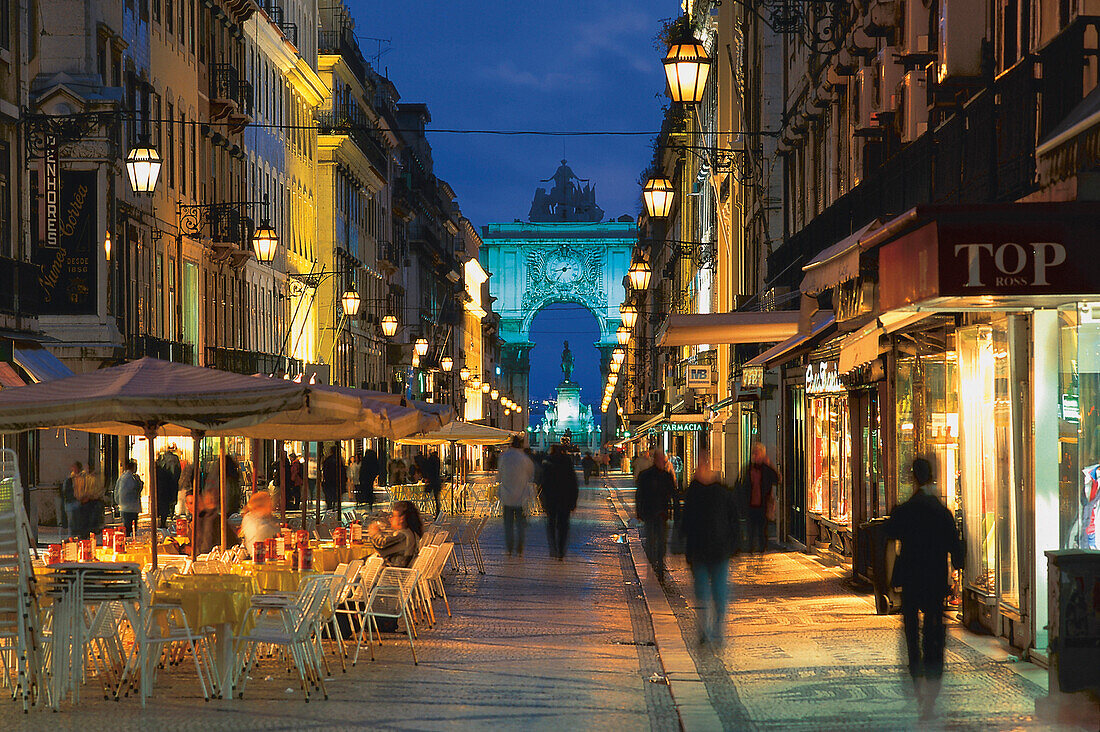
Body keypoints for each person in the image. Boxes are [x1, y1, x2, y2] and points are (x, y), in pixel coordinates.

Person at [885, 457, 963, 719]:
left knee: (910, 627)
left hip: (911, 578)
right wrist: (956, 571)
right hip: (934, 580)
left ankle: (915, 668)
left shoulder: (905, 510)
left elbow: (889, 537)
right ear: (931, 477)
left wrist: (889, 580)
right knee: (933, 625)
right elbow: (957, 549)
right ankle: (932, 672)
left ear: (914, 478)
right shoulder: (942, 512)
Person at [682, 449, 740, 647]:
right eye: (700, 464)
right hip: (700, 550)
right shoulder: (694, 491)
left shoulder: (722, 492)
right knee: (702, 594)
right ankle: (705, 630)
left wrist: (733, 545)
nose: (701, 468)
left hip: (719, 550)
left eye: (704, 464)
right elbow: (686, 522)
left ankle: (715, 629)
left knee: (719, 593)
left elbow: (734, 522)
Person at [636, 450, 676, 580]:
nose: (663, 463)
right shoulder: (648, 475)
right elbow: (639, 495)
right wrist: (639, 511)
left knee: (660, 540)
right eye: (662, 460)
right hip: (650, 512)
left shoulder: (664, 476)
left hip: (660, 513)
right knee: (652, 539)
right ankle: (653, 562)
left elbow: (673, 494)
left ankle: (658, 561)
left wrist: (677, 511)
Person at [735, 443, 780, 554]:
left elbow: (777, 479)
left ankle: (761, 549)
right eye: (754, 453)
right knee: (750, 528)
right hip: (750, 504)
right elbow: (740, 486)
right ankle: (750, 548)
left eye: (757, 453)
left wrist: (770, 464)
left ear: (762, 455)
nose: (755, 456)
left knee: (762, 529)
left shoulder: (766, 470)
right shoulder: (748, 469)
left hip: (762, 505)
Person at [540, 444, 579, 560]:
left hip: (551, 499)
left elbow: (544, 483)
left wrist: (543, 500)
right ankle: (561, 549)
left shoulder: (548, 463)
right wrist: (573, 501)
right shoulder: (567, 463)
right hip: (565, 499)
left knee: (551, 524)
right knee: (563, 525)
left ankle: (554, 547)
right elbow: (573, 483)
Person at [498, 436, 535, 556]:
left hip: (507, 496)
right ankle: (520, 547)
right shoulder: (524, 459)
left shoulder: (503, 458)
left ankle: (509, 547)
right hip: (521, 497)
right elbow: (530, 474)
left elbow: (499, 475)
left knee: (508, 525)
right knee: (520, 525)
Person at [367, 500, 423, 567]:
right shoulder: (410, 533)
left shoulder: (404, 536)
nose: (390, 518)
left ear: (401, 519)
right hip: (395, 571)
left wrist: (374, 533)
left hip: (393, 573)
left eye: (393, 516)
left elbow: (382, 548)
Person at [193, 489, 239, 556]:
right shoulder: (210, 517)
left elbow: (206, 545)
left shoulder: (211, 519)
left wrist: (199, 554)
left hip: (216, 556)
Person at [240, 490, 280, 558]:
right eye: (269, 504)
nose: (271, 508)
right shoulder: (263, 527)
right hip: (261, 559)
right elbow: (278, 534)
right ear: (260, 507)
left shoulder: (248, 517)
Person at [114, 459, 143, 537]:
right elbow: (135, 490)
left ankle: (127, 538)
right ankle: (130, 540)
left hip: (124, 507)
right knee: (131, 528)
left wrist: (118, 502)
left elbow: (116, 491)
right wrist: (140, 483)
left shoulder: (121, 478)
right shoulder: (132, 478)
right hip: (131, 507)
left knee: (126, 526)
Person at [80, 460, 106, 535]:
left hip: (94, 500)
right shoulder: (83, 476)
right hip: (85, 501)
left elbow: (99, 490)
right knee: (86, 519)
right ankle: (86, 533)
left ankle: (93, 532)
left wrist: (91, 496)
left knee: (93, 518)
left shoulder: (97, 478)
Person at [321, 446, 346, 512]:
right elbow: (343, 472)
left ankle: (330, 509)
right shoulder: (340, 460)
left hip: (329, 483)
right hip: (337, 483)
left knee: (329, 499)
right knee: (336, 499)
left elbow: (325, 471)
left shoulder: (328, 460)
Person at [155, 458, 178, 528]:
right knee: (164, 510)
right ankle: (162, 522)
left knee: (162, 509)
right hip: (164, 494)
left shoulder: (160, 474)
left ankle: (161, 522)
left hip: (162, 494)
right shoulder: (166, 473)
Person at [420, 451, 442, 517]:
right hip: (436, 482)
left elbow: (428, 471)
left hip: (432, 483)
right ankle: (437, 511)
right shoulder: (437, 461)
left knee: (426, 496)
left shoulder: (430, 462)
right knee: (436, 498)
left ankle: (426, 510)